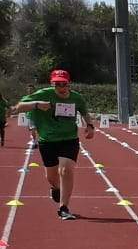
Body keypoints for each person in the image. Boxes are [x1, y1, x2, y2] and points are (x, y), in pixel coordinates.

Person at [7, 69, 93, 220]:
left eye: (63, 84)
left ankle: (64, 208)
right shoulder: (43, 94)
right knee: (51, 176)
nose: (60, 87)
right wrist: (37, 104)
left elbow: (84, 112)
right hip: (47, 141)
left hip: (69, 139)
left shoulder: (77, 98)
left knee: (66, 170)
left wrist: (90, 126)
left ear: (69, 84)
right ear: (52, 84)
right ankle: (55, 187)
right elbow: (18, 107)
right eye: (57, 84)